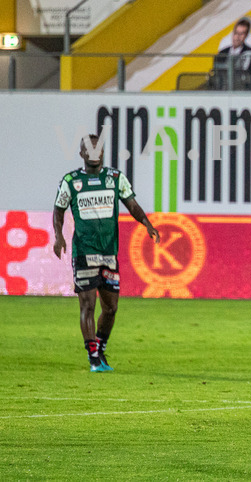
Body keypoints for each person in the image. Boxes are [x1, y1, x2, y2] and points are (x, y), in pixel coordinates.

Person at [53, 134, 161, 372]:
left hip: (108, 253)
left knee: (111, 308)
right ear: (81, 153)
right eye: (88, 149)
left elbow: (131, 204)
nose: (94, 152)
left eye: (97, 148)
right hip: (84, 252)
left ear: (102, 152)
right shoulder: (71, 181)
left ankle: (100, 349)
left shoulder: (115, 178)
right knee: (88, 305)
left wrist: (147, 224)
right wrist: (59, 236)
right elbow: (59, 210)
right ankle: (93, 357)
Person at [214, 16, 251, 89]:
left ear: (245, 36)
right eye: (236, 33)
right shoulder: (222, 53)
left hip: (242, 91)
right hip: (223, 91)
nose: (237, 37)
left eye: (241, 34)